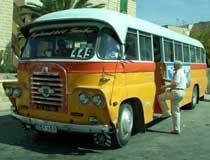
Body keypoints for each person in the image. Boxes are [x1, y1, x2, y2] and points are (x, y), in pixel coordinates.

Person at [157, 61, 186, 134]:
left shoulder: (178, 72)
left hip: (176, 92)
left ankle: (166, 112)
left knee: (160, 97)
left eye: (174, 66)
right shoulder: (182, 72)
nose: (173, 67)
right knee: (176, 111)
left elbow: (175, 83)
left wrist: (165, 86)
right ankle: (176, 129)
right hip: (181, 92)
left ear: (177, 66)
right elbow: (175, 81)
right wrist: (165, 79)